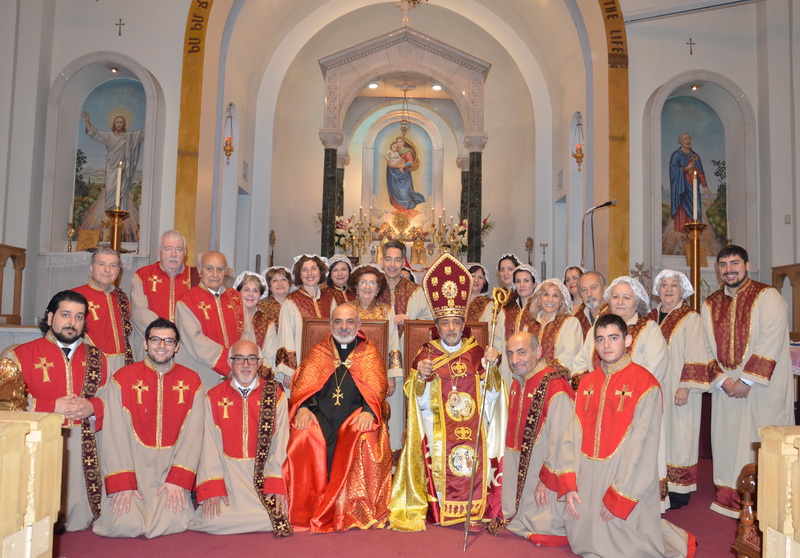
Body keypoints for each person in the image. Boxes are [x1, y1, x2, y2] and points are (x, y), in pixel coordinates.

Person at [558, 314, 697, 557]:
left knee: (627, 544)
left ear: (628, 340)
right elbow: (571, 435)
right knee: (584, 540)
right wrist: (569, 483)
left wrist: (620, 497)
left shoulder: (646, 384)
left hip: (626, 477)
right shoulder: (587, 382)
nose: (606, 346)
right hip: (588, 477)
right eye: (600, 340)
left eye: (613, 338)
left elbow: (644, 446)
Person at [390, 253, 506, 531]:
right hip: (439, 426)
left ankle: (476, 508)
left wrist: (491, 369)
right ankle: (442, 509)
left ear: (462, 324)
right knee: (441, 455)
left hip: (473, 425)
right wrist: (423, 378)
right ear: (437, 326)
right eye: (445, 323)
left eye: (456, 322)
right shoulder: (426, 354)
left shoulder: (477, 352)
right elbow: (414, 398)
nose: (451, 328)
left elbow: (491, 397)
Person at [0, 290, 108, 531]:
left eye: (79, 317)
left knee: (81, 524)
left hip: (84, 444)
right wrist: (51, 406)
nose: (72, 323)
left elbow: (111, 396)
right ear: (50, 318)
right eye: (66, 315)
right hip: (38, 444)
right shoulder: (17, 355)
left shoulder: (98, 358)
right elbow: (5, 403)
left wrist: (92, 406)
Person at [701, 245, 794, 517]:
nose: (729, 269)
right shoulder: (710, 304)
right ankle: (729, 496)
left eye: (735, 263)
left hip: (763, 388)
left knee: (761, 439)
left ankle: (768, 498)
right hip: (726, 389)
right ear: (718, 270)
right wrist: (721, 380)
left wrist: (747, 381)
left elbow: (771, 340)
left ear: (747, 265)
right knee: (728, 441)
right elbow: (704, 346)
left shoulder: (768, 296)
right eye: (723, 264)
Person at [283, 304, 392, 532]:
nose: (344, 327)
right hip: (320, 416)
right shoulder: (319, 351)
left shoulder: (368, 353)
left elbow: (377, 388)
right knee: (302, 436)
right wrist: (303, 408)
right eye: (338, 322)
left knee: (363, 435)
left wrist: (368, 411)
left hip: (353, 417)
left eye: (349, 322)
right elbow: (304, 385)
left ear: (359, 325)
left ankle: (352, 509)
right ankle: (305, 507)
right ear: (331, 324)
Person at [93, 318, 203, 538]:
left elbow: (194, 435)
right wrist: (123, 481)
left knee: (175, 521)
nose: (161, 346)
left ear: (177, 347)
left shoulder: (192, 381)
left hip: (170, 472)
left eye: (168, 341)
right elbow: (113, 435)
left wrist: (177, 480)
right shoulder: (122, 379)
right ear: (145, 343)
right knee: (124, 524)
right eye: (155, 339)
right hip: (133, 469)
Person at [573, 275, 669, 508]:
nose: (620, 301)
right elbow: (581, 362)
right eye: (615, 296)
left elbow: (653, 369)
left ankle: (634, 502)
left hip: (633, 409)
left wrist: (618, 386)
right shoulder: (598, 328)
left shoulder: (649, 329)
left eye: (627, 297)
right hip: (598, 406)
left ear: (637, 302)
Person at [190, 339, 292, 537]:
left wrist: (276, 484)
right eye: (239, 359)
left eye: (251, 359)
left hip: (262, 481)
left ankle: (252, 518)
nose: (245, 365)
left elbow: (281, 444)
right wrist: (213, 488)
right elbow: (207, 446)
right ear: (230, 362)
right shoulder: (213, 397)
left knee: (283, 514)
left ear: (259, 362)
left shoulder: (274, 395)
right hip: (229, 481)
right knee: (211, 519)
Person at [488, 332, 574, 546]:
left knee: (544, 526)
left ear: (537, 351)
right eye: (510, 354)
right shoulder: (518, 381)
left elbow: (565, 439)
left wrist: (548, 478)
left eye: (521, 352)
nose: (515, 360)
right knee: (514, 519)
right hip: (520, 478)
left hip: (544, 475)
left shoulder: (554, 384)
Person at [648, 269, 708, 509]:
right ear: (657, 290)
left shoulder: (690, 318)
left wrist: (685, 387)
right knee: (659, 435)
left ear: (682, 290)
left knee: (680, 436)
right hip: (655, 386)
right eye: (664, 285)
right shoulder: (651, 317)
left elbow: (695, 352)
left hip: (678, 387)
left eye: (674, 285)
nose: (669, 289)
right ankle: (660, 485)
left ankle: (680, 490)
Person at [377, 240, 432, 444]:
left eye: (397, 259)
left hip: (406, 358)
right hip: (378, 358)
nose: (392, 264)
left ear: (404, 262)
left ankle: (401, 460)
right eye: (388, 259)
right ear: (381, 261)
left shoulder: (416, 291)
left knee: (401, 409)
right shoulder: (372, 286)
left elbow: (431, 323)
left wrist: (410, 322)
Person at [175, 251, 247, 388]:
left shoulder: (236, 299)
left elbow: (247, 333)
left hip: (237, 375)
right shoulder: (187, 301)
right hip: (203, 373)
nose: (215, 274)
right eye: (209, 268)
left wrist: (241, 362)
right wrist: (227, 363)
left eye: (219, 269)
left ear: (225, 272)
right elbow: (195, 339)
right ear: (199, 271)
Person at [130, 230, 200, 359]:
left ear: (184, 253)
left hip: (185, 349)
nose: (173, 254)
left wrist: (178, 339)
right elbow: (139, 313)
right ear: (159, 252)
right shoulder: (142, 276)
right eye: (168, 249)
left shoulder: (196, 278)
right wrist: (165, 338)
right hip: (153, 347)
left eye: (179, 249)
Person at [274, 254, 336, 390]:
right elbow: (285, 338)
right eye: (304, 270)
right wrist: (288, 372)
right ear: (299, 275)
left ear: (320, 272)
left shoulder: (330, 300)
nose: (310, 273)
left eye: (314, 268)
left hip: (328, 368)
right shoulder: (291, 302)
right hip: (300, 369)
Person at [72, 246, 132, 373]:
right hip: (89, 365)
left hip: (121, 366)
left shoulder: (122, 298)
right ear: (91, 267)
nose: (107, 270)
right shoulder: (74, 297)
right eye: (101, 264)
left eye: (113, 265)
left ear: (118, 270)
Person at [345, 265, 402, 379]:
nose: (367, 287)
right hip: (348, 370)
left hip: (378, 371)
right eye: (363, 282)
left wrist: (391, 376)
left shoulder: (387, 311)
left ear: (377, 289)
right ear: (356, 286)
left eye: (372, 283)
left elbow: (393, 343)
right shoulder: (345, 310)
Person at [81, 111, 145, 211]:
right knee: (110, 190)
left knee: (121, 191)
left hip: (124, 169)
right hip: (111, 168)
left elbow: (143, 134)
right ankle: (109, 217)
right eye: (117, 122)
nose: (119, 124)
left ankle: (120, 215)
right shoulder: (108, 136)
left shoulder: (130, 136)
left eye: (121, 122)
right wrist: (87, 122)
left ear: (124, 124)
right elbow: (95, 133)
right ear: (113, 124)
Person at [528, 278, 582, 377]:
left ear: (561, 301)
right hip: (531, 381)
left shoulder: (570, 322)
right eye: (546, 294)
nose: (550, 300)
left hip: (557, 382)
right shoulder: (530, 325)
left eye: (555, 296)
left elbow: (569, 356)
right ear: (539, 299)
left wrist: (542, 375)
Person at [668, 133, 711, 233]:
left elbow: (700, 172)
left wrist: (705, 186)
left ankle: (694, 232)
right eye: (685, 139)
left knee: (694, 209)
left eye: (689, 139)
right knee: (682, 208)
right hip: (681, 187)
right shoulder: (676, 155)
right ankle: (682, 233)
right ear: (680, 141)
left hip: (693, 187)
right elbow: (673, 170)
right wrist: (686, 168)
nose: (688, 141)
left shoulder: (694, 156)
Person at [254, 266, 292, 376]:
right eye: (274, 280)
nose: (280, 283)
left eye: (283, 279)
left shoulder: (297, 305)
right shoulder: (261, 307)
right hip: (270, 360)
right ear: (269, 286)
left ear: (289, 284)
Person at [386, 136, 425, 211]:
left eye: (401, 141)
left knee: (404, 192)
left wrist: (403, 165)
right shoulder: (394, 151)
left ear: (404, 142)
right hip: (393, 174)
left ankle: (407, 209)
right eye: (398, 142)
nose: (399, 143)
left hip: (403, 175)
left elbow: (411, 162)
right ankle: (400, 209)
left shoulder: (407, 151)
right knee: (394, 191)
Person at [574, 271, 608, 338]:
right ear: (580, 295)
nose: (589, 294)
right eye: (584, 290)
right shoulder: (578, 319)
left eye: (593, 288)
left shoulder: (614, 314)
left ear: (604, 289)